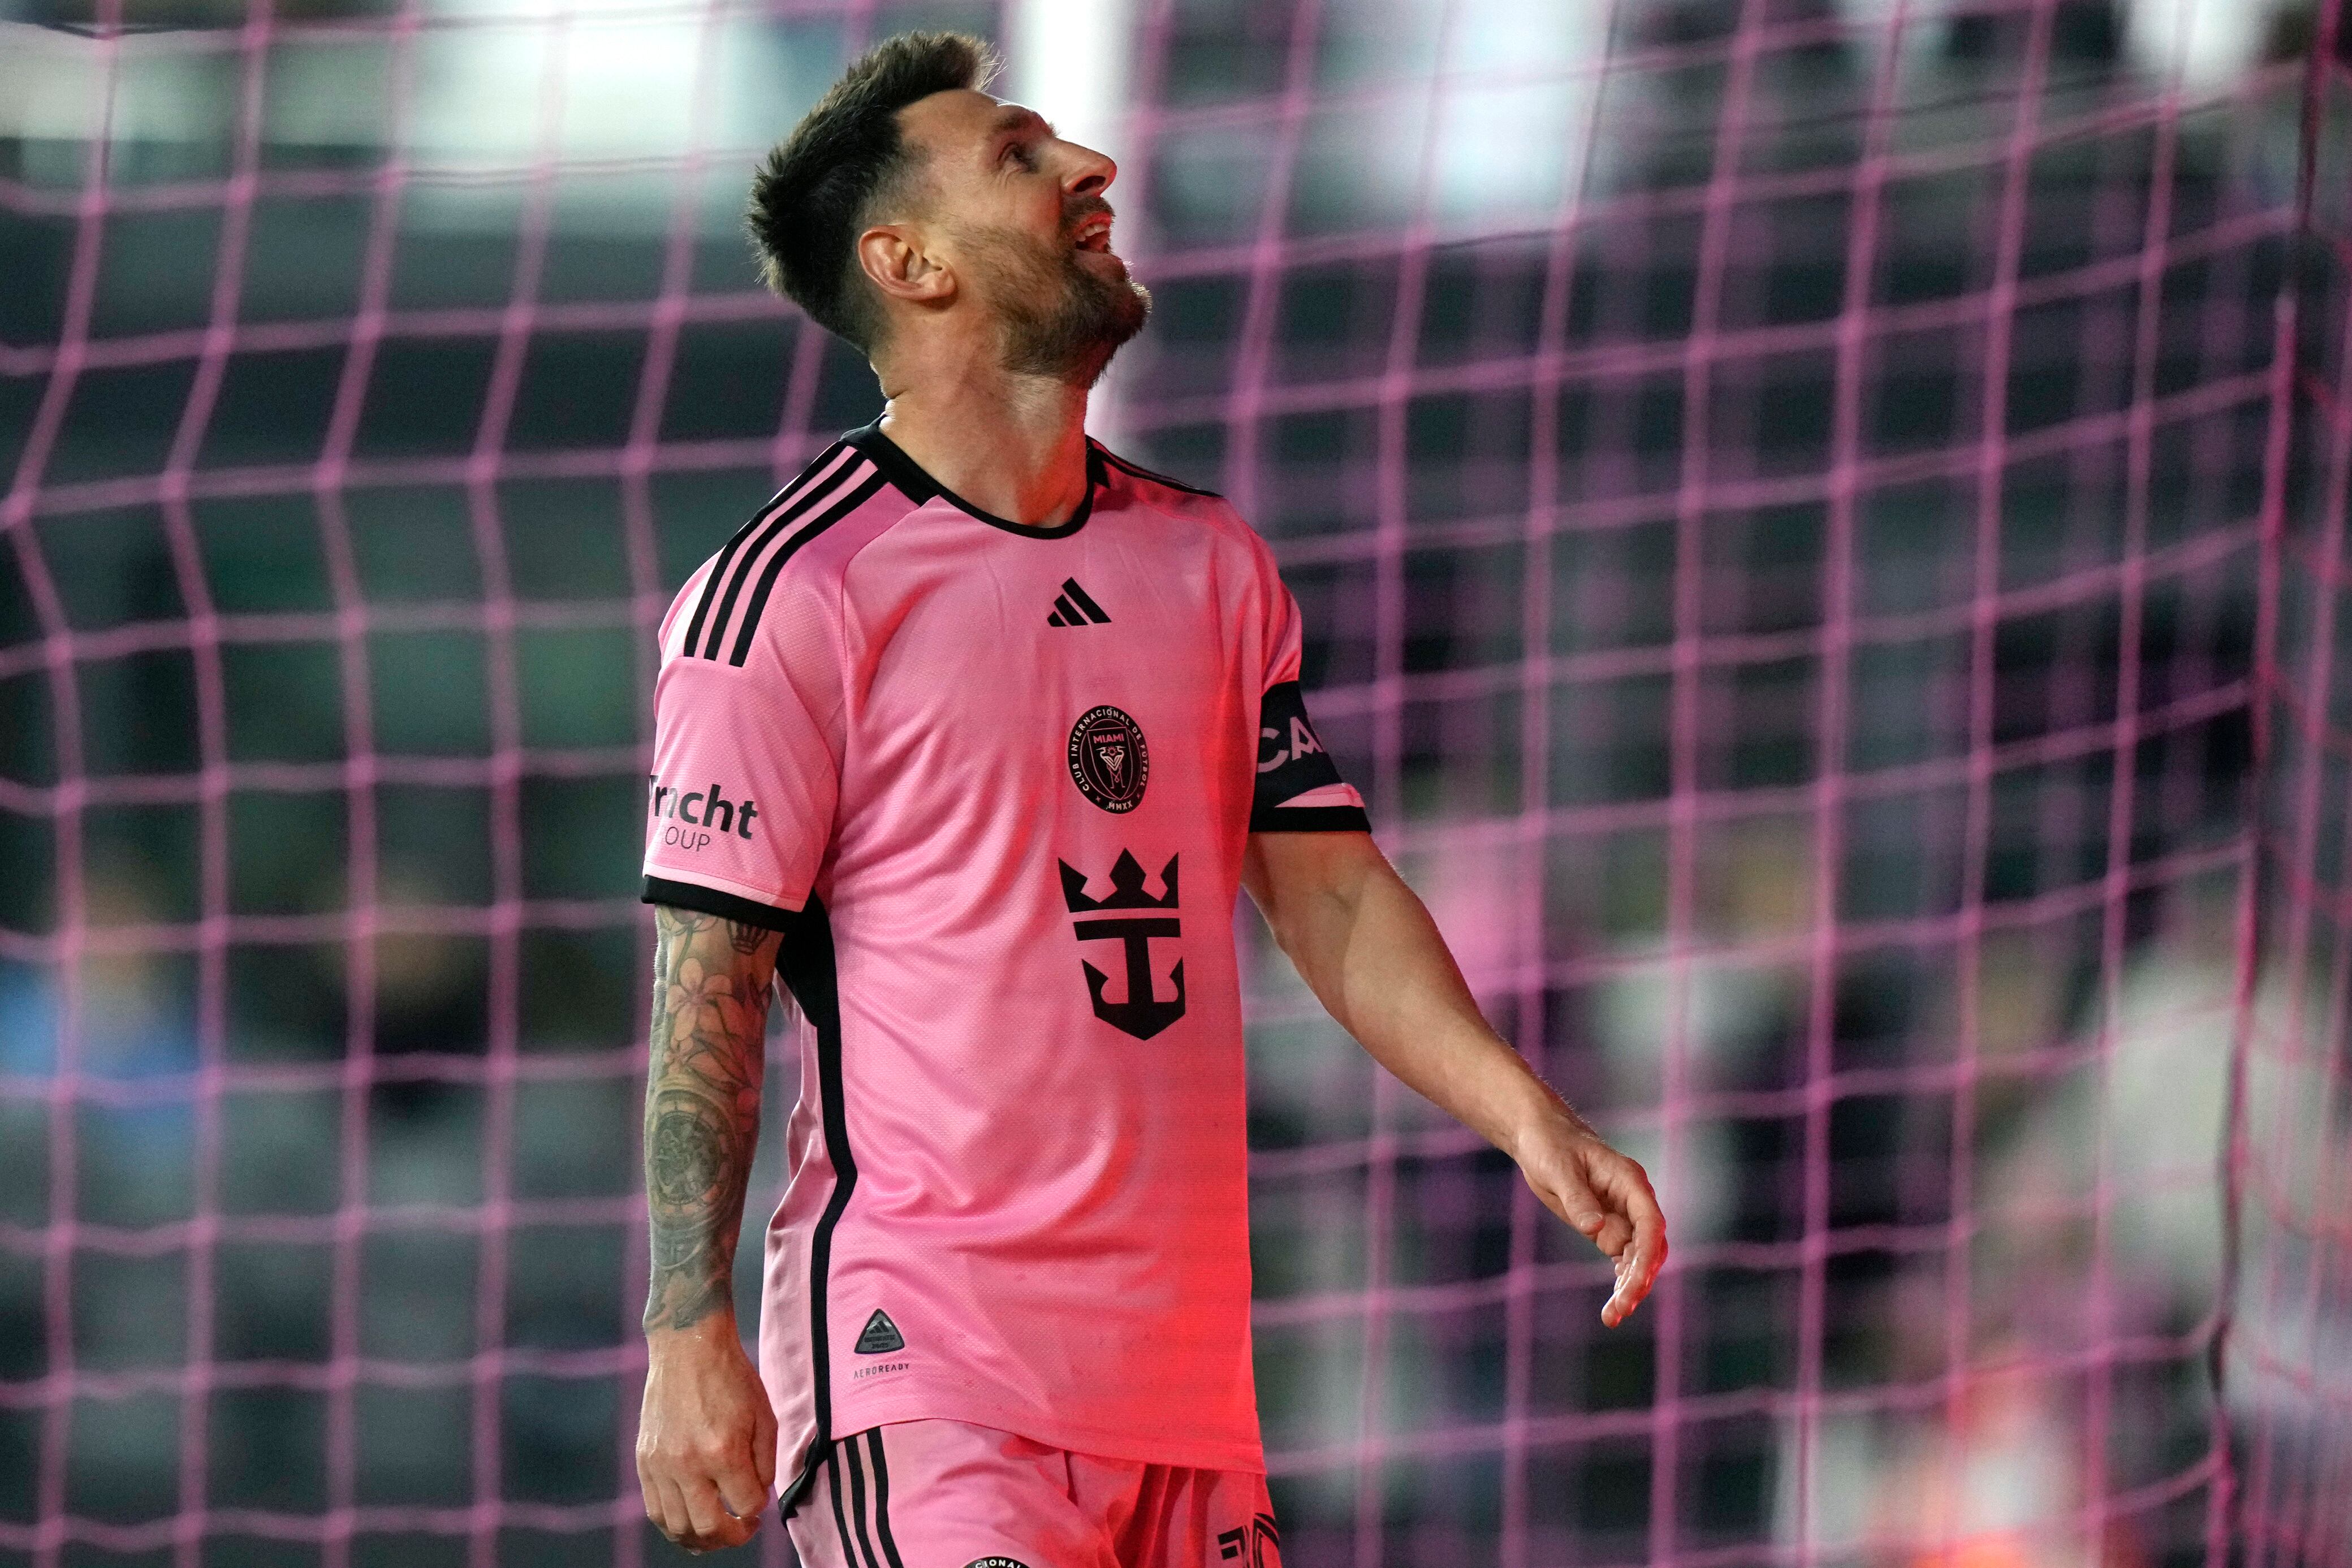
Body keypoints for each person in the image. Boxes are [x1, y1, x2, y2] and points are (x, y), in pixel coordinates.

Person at [632, 31, 1667, 1566]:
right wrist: (685, 1334)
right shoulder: (794, 594)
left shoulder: (1209, 563)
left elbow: (1328, 891)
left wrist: (1526, 1117)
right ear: (908, 263)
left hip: (1186, 1392)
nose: (1089, 169)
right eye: (1020, 156)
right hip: (929, 1375)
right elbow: (706, 978)